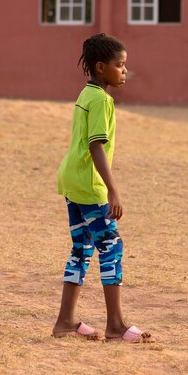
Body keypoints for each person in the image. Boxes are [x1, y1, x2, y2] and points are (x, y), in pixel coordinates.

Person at [52, 33, 154, 342]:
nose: (125, 71)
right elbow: (96, 145)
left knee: (81, 249)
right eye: (120, 65)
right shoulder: (102, 101)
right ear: (100, 67)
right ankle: (116, 325)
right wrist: (113, 190)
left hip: (72, 179)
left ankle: (66, 322)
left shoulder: (86, 93)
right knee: (111, 247)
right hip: (89, 185)